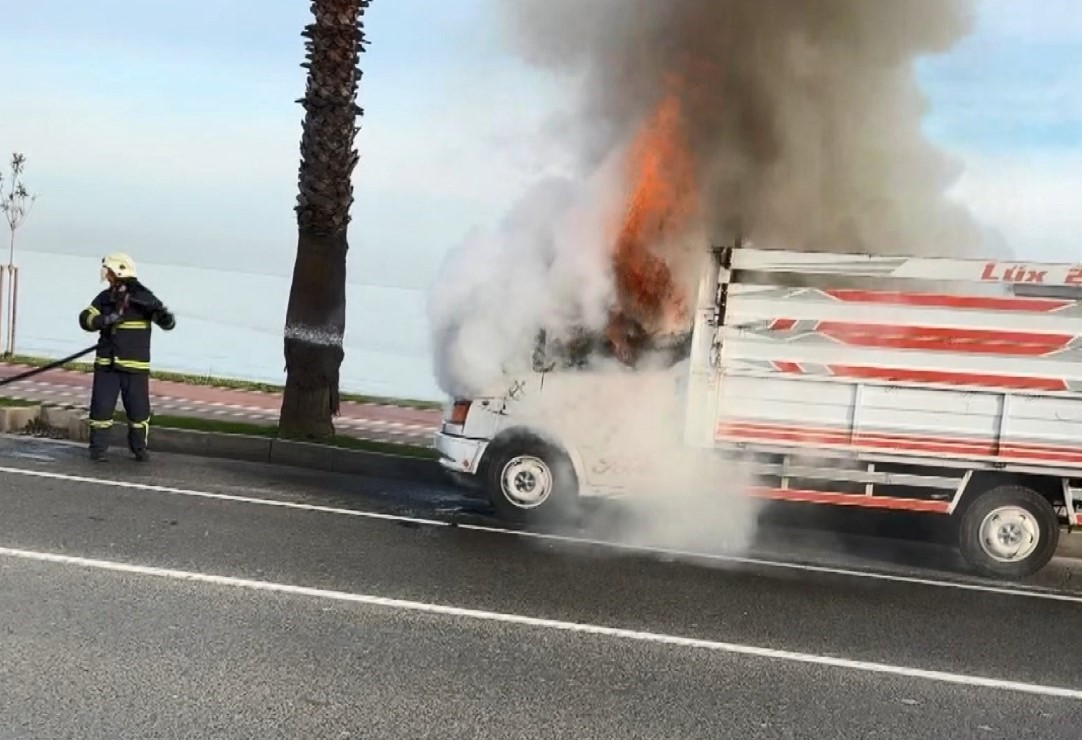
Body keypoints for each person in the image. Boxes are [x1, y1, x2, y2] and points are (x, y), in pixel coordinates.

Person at [78, 252, 176, 462]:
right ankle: (98, 450)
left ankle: (139, 449)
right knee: (101, 409)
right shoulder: (106, 298)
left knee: (139, 411)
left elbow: (167, 323)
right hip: (107, 366)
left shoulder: (144, 298)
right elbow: (85, 317)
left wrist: (163, 316)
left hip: (135, 369)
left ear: (119, 271)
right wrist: (103, 320)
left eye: (109, 272)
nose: (107, 276)